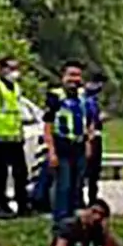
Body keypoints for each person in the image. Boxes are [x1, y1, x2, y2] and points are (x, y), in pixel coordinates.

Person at [0, 56, 29, 216]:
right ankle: (2, 204)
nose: (14, 72)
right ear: (1, 69)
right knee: (1, 174)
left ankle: (22, 205)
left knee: (20, 173)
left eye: (16, 68)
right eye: (10, 68)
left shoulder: (16, 87)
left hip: (15, 137)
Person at [44, 60, 88, 220]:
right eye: (71, 75)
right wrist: (51, 151)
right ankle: (61, 218)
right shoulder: (55, 96)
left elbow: (87, 121)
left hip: (79, 145)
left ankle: (73, 216)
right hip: (61, 144)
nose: (74, 79)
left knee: (77, 184)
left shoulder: (83, 96)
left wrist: (88, 144)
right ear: (63, 76)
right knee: (64, 184)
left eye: (77, 75)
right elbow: (47, 125)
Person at [83, 70, 107, 208]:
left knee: (91, 172)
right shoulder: (89, 99)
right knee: (92, 172)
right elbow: (91, 120)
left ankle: (90, 197)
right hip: (91, 137)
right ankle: (91, 199)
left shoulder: (89, 97)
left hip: (91, 135)